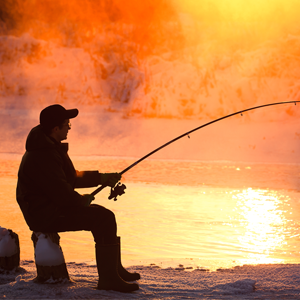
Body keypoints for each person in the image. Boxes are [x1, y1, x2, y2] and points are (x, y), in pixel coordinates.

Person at [16, 104, 140, 292]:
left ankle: (114, 270)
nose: (69, 128)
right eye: (67, 125)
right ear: (55, 128)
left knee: (103, 214)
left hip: (51, 207)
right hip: (43, 214)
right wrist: (80, 201)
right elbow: (61, 192)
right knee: (103, 218)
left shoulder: (50, 146)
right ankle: (108, 279)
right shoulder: (43, 155)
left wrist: (102, 178)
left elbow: (71, 178)